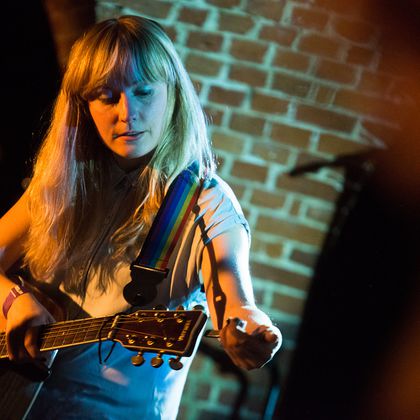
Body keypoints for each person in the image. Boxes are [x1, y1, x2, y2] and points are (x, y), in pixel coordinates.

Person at [0, 15, 281, 419]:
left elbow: (231, 289)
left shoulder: (206, 201)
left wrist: (248, 322)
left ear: (174, 95)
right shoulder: (61, 182)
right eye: (106, 95)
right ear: (83, 106)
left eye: (144, 91)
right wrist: (14, 301)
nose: (127, 112)